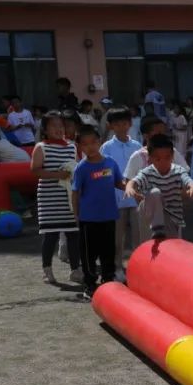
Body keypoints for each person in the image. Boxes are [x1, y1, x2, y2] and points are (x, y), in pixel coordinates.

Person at [70, 126, 124, 300]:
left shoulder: (110, 163)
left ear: (99, 142)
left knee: (108, 251)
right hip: (88, 219)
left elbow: (119, 182)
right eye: (85, 144)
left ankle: (108, 280)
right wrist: (76, 215)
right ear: (80, 147)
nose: (90, 147)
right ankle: (90, 285)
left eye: (93, 142)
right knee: (89, 254)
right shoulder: (82, 168)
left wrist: (134, 190)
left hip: (108, 216)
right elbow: (75, 192)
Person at [31, 111, 81, 285]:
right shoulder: (41, 147)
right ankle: (47, 270)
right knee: (50, 235)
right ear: (45, 129)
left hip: (69, 198)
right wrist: (57, 175)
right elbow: (35, 170)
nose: (59, 129)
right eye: (54, 126)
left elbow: (76, 168)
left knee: (73, 235)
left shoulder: (72, 146)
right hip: (49, 198)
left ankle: (76, 270)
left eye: (61, 126)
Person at [125, 134, 193, 240]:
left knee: (172, 243)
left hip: (170, 214)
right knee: (155, 192)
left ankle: (163, 232)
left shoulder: (178, 170)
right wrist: (129, 188)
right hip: (149, 212)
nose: (163, 162)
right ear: (150, 159)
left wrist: (192, 188)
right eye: (158, 159)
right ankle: (157, 228)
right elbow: (133, 182)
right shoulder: (147, 172)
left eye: (167, 158)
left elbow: (188, 180)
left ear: (172, 156)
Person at [99, 107, 143, 271]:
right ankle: (117, 266)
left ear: (130, 124)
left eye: (124, 123)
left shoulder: (137, 145)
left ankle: (137, 265)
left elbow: (142, 168)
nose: (121, 127)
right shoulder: (107, 147)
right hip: (116, 198)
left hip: (136, 196)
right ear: (111, 126)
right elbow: (102, 169)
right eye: (116, 124)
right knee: (117, 236)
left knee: (138, 235)